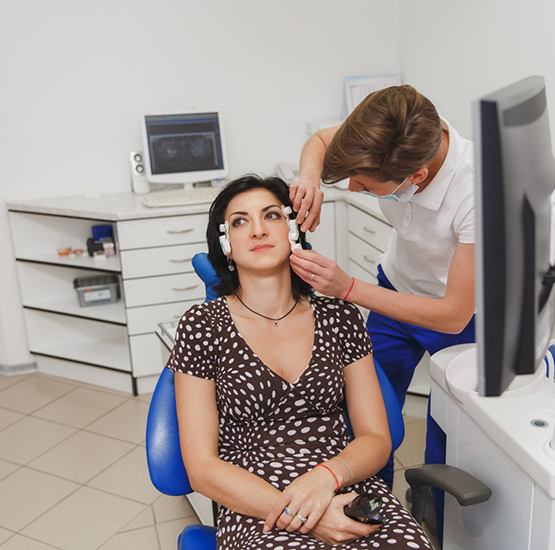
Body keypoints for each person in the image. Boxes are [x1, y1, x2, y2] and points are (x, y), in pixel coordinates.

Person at [168, 174, 434, 550]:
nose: (258, 229)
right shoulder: (202, 325)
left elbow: (376, 436)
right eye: (240, 221)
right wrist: (304, 515)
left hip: (343, 483)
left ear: (293, 229)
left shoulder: (339, 316)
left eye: (272, 215)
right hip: (256, 503)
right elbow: (203, 468)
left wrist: (324, 478)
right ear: (226, 245)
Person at [287, 85, 476, 541]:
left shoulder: (475, 193)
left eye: (366, 186)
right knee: (368, 414)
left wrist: (348, 288)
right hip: (395, 287)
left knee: (446, 439)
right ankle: (366, 519)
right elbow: (318, 141)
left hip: (455, 316)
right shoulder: (395, 126)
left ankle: (437, 529)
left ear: (415, 175)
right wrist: (310, 179)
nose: (353, 190)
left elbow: (452, 315)